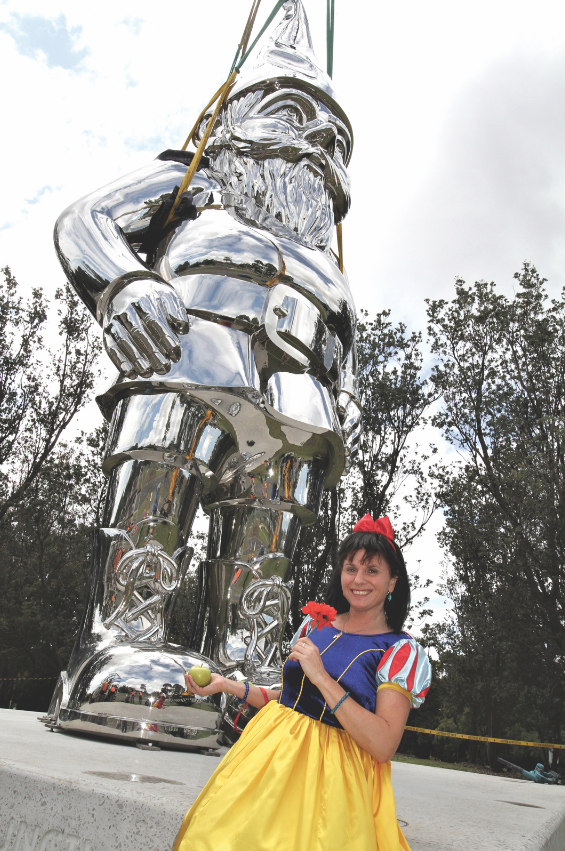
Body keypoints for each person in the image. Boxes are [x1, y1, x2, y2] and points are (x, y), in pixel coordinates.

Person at [174, 515, 432, 851]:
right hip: (266, 760)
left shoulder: (398, 650)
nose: (358, 579)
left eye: (372, 570)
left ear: (393, 581)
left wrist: (321, 676)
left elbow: (384, 744)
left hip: (331, 781)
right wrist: (225, 685)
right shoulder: (316, 626)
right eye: (350, 568)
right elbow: (288, 699)